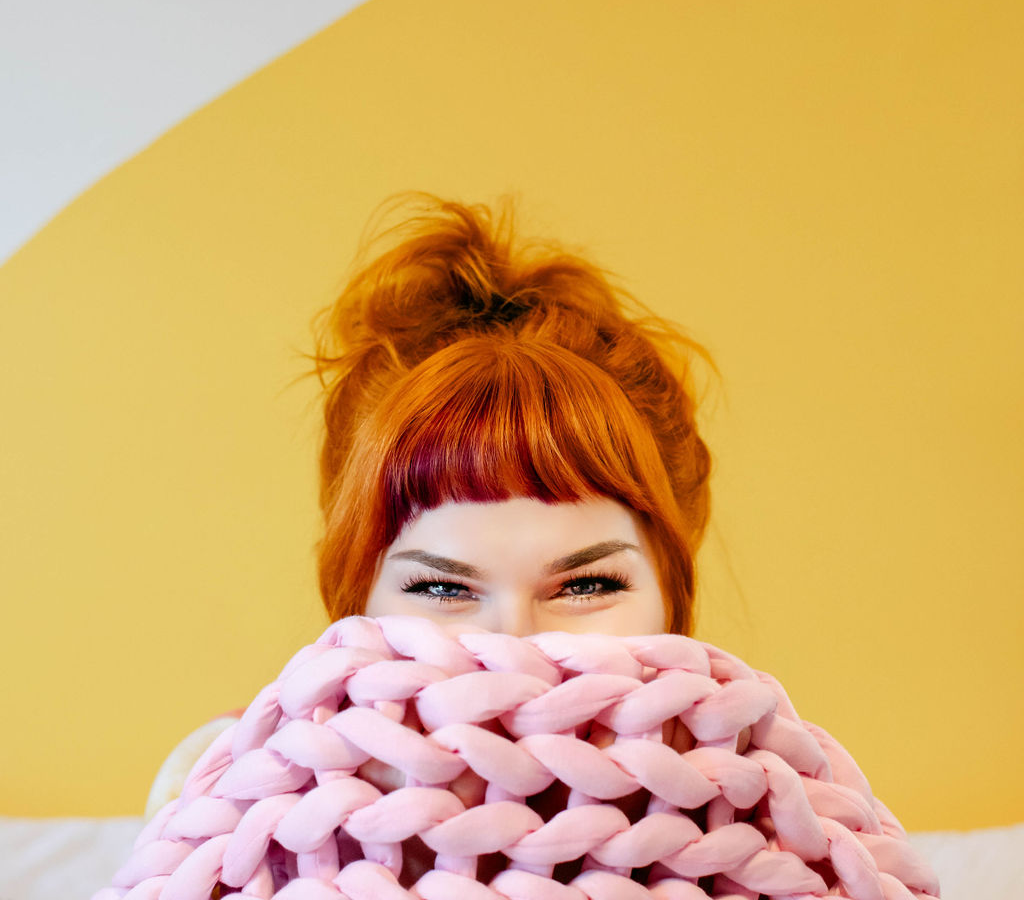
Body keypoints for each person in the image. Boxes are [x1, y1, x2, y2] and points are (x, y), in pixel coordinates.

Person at [146, 193, 714, 816]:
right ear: (355, 594)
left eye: (587, 585)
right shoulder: (226, 787)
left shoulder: (762, 809)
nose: (514, 651)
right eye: (443, 590)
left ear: (671, 584)